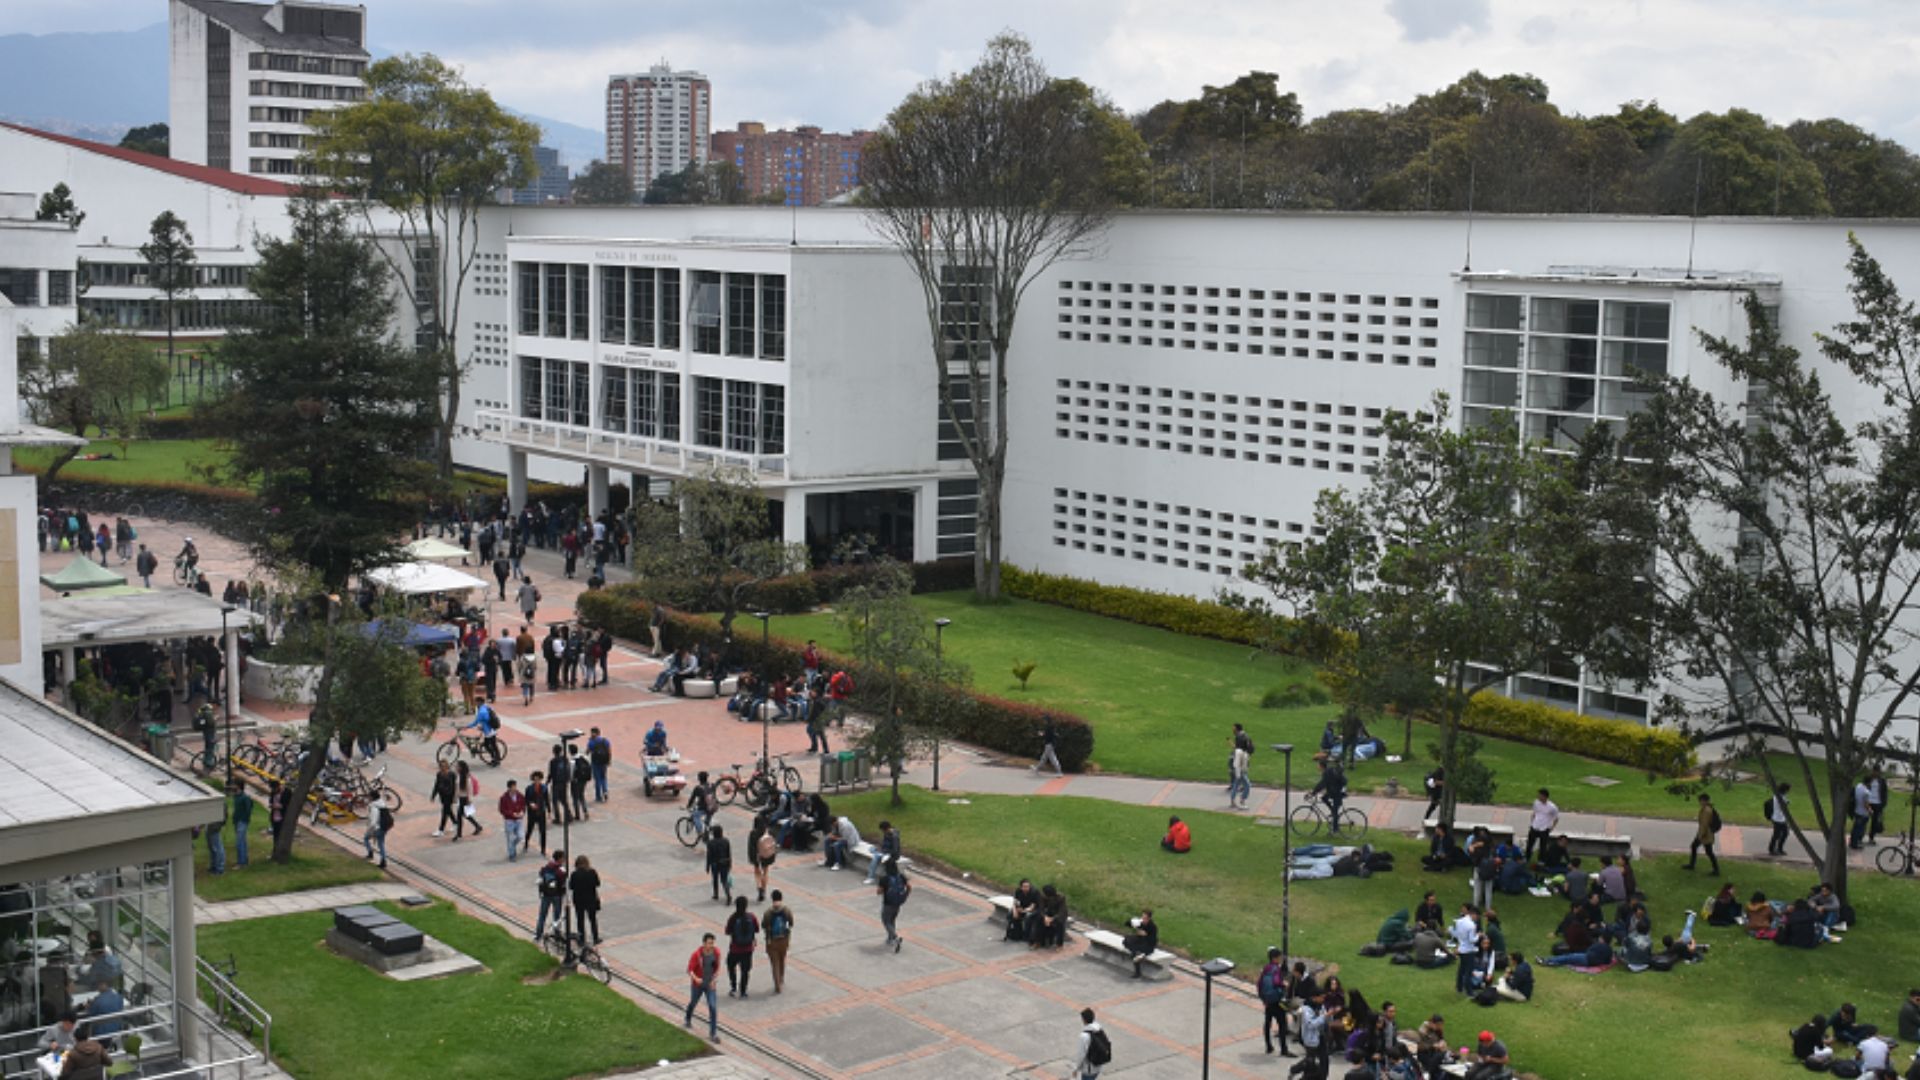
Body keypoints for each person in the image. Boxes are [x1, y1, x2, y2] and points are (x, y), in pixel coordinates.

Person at [683, 933, 721, 1040]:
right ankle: (687, 1019)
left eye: (713, 943)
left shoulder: (716, 953)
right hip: (698, 985)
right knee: (693, 1002)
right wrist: (696, 979)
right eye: (709, 943)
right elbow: (689, 970)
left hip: (710, 985)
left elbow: (717, 968)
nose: (712, 945)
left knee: (713, 1007)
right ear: (704, 943)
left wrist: (714, 980)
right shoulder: (696, 955)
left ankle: (713, 1033)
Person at [1257, 947, 1292, 1055]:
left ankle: (1268, 1046)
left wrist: (1263, 998)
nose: (1280, 959)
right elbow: (1276, 981)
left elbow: (1259, 983)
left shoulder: (1266, 968)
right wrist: (1284, 984)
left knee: (1268, 1022)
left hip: (1268, 1001)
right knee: (1282, 1023)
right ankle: (1284, 1049)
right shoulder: (1276, 969)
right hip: (1276, 1001)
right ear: (1275, 958)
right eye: (1279, 957)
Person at [723, 896, 759, 998]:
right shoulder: (751, 917)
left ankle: (733, 987)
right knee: (745, 971)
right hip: (748, 949)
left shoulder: (733, 918)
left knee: (731, 966)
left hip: (735, 948)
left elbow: (727, 931)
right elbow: (757, 929)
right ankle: (743, 991)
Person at [763, 890, 794, 993]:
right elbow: (791, 922)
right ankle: (781, 978)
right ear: (781, 898)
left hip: (772, 941)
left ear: (772, 899)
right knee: (782, 959)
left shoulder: (768, 912)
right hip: (784, 940)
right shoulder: (786, 910)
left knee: (774, 963)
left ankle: (777, 985)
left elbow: (763, 925)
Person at [878, 857, 911, 952]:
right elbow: (909, 886)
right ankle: (890, 939)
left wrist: (882, 889)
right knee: (892, 920)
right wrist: (905, 896)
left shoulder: (885, 878)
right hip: (898, 902)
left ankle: (895, 937)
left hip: (888, 903)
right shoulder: (901, 876)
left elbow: (879, 891)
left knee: (886, 921)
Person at [535, 849, 568, 941]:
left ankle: (538, 934)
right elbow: (563, 882)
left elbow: (541, 875)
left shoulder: (546, 867)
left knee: (542, 915)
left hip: (546, 895)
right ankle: (556, 934)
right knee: (556, 916)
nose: (564, 860)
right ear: (560, 858)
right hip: (557, 895)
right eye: (563, 858)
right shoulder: (560, 870)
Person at [1685, 793, 1721, 874]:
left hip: (1705, 834)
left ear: (1704, 801)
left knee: (1707, 851)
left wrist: (1700, 836)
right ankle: (1692, 865)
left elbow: (1704, 824)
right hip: (1705, 834)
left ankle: (1716, 870)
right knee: (1698, 848)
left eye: (1701, 801)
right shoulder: (1706, 809)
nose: (1700, 802)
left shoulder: (1706, 811)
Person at [571, 854, 602, 945]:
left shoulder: (574, 874)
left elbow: (571, 886)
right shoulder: (592, 872)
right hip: (590, 899)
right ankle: (595, 938)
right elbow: (598, 884)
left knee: (580, 920)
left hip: (579, 899)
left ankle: (581, 939)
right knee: (592, 919)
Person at [1310, 760, 1348, 832]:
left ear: (1321, 766)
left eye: (1318, 765)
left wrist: (1313, 793)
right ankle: (1332, 811)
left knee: (1335, 811)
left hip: (1338, 792)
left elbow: (1322, 784)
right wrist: (1314, 792)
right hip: (1334, 791)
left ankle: (1335, 829)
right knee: (1324, 798)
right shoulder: (1328, 771)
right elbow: (1324, 784)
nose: (1317, 766)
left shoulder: (1327, 773)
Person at [1071, 1007, 1109, 1080]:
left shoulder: (1084, 1036)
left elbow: (1081, 1055)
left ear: (1084, 1020)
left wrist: (1076, 1069)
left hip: (1088, 1070)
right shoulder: (1099, 1029)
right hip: (1098, 1066)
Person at [1122, 907, 1158, 978]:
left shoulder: (1153, 927)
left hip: (1148, 945)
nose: (1143, 919)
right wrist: (1132, 921)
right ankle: (1137, 953)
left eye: (1145, 918)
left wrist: (1145, 935)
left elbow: (1153, 941)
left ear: (1149, 918)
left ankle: (1137, 972)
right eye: (1142, 917)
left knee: (1135, 953)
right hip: (1140, 941)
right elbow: (1126, 924)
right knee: (1126, 940)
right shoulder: (1140, 923)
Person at [1030, 884, 1068, 949]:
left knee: (1060, 923)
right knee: (1038, 919)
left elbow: (1062, 912)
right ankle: (1037, 941)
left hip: (1057, 915)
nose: (1042, 894)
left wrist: (1052, 919)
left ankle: (1059, 944)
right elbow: (1041, 908)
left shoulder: (1060, 898)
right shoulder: (1042, 896)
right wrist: (1045, 917)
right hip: (1047, 913)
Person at [1525, 789, 1559, 863]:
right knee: (1530, 844)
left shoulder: (1552, 807)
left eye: (1540, 795)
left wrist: (1552, 828)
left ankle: (1541, 860)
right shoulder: (1536, 803)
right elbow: (1534, 812)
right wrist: (1532, 822)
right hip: (1535, 826)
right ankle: (1527, 858)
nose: (1538, 796)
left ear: (1544, 796)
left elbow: (1556, 818)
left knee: (1543, 846)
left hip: (1544, 828)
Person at [498, 779, 526, 862]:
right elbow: (502, 810)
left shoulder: (520, 795)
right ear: (509, 788)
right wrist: (511, 814)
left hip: (519, 819)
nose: (515, 788)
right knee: (510, 838)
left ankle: (512, 845)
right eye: (513, 787)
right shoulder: (504, 798)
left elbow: (523, 805)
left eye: (515, 786)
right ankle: (512, 854)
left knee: (521, 836)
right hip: (509, 820)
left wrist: (522, 812)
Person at [524, 770, 551, 855]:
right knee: (529, 829)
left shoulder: (544, 788)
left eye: (538, 779)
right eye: (535, 779)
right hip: (532, 812)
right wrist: (530, 804)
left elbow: (547, 799)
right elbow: (526, 800)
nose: (537, 781)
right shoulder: (529, 788)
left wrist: (549, 810)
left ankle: (543, 848)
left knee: (542, 831)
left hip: (541, 812)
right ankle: (526, 843)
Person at [453, 760, 482, 839]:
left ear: (461, 768)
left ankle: (459, 834)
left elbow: (469, 789)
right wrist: (455, 798)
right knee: (465, 815)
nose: (456, 767)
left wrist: (469, 799)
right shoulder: (459, 775)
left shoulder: (466, 777)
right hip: (461, 798)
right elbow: (457, 789)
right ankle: (477, 826)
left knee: (460, 816)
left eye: (457, 766)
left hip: (465, 799)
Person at [362, 795, 393, 868]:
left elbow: (373, 823)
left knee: (366, 838)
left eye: (369, 797)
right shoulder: (382, 803)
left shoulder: (374, 808)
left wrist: (370, 831)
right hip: (385, 826)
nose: (368, 798)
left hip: (378, 828)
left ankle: (370, 853)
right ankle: (383, 861)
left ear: (372, 798)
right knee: (381, 843)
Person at [229, 780, 254, 867]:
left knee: (239, 842)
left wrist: (244, 819)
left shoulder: (245, 797)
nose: (232, 787)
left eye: (234, 785)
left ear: (238, 786)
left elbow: (249, 810)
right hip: (237, 821)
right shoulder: (236, 797)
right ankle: (244, 860)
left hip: (242, 822)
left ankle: (241, 862)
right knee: (242, 841)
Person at [707, 825, 735, 903]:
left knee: (715, 879)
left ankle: (716, 894)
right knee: (724, 880)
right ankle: (728, 894)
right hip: (725, 862)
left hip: (715, 863)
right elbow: (728, 853)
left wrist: (707, 866)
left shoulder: (711, 843)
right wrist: (730, 863)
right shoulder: (726, 841)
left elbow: (709, 856)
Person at [587, 727, 612, 802]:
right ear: (599, 733)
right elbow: (609, 752)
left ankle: (598, 796)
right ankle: (605, 791)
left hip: (595, 762)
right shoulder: (605, 740)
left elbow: (587, 752)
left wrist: (590, 742)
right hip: (604, 762)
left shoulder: (591, 742)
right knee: (603, 777)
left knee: (597, 779)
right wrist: (609, 761)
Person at [1767, 782, 1793, 856]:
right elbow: (1782, 806)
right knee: (1777, 834)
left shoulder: (1780, 796)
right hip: (1777, 819)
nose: (1788, 791)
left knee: (1785, 833)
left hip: (1781, 818)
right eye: (1788, 790)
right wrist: (1787, 803)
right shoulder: (1779, 797)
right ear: (1785, 790)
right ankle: (1772, 849)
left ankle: (1779, 848)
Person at [567, 744, 591, 821]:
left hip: (575, 781)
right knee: (581, 796)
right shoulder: (584, 757)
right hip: (584, 780)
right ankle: (585, 811)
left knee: (575, 797)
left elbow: (571, 773)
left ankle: (577, 814)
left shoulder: (572, 761)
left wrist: (569, 780)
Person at [1852, 773, 1875, 850]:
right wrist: (1870, 810)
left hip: (1857, 810)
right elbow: (1866, 804)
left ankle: (1853, 842)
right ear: (1869, 782)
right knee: (1860, 829)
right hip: (1863, 813)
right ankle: (1856, 843)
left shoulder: (1858, 786)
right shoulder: (1866, 792)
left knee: (1855, 828)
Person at [1228, 735, 1251, 810]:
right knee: (1247, 785)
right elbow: (1238, 763)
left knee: (1236, 784)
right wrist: (1238, 773)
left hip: (1239, 771)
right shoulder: (1240, 752)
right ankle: (1242, 800)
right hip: (1240, 771)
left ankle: (1233, 801)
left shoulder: (1239, 751)